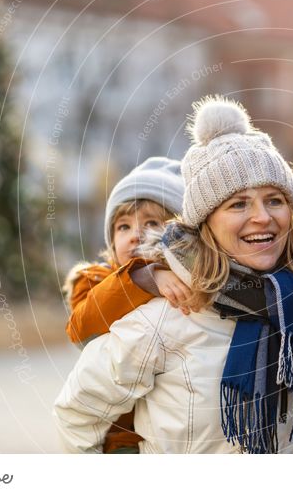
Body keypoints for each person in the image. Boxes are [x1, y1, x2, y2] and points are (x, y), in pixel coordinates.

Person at [53, 96, 293, 454]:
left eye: (274, 200)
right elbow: (77, 414)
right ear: (206, 223)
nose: (262, 216)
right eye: (238, 204)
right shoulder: (169, 312)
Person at [62, 156, 189, 453]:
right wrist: (144, 278)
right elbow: (81, 327)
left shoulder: (189, 282)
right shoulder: (93, 280)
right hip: (122, 437)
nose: (135, 235)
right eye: (123, 226)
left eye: (152, 223)